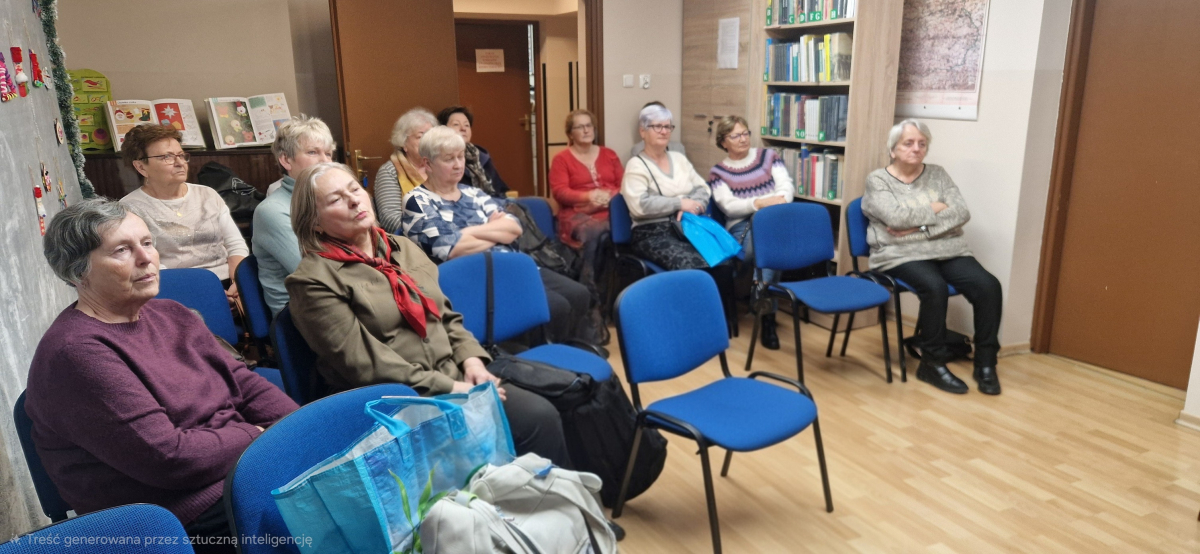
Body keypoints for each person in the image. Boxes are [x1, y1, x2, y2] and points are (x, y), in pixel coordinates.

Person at [27, 199, 298, 553]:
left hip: (236, 470)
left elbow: (244, 385)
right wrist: (258, 435)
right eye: (122, 250)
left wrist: (289, 431)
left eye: (147, 243)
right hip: (173, 518)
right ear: (78, 272)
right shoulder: (76, 354)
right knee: (321, 515)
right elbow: (172, 459)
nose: (146, 258)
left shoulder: (173, 314)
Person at [284, 161, 572, 467]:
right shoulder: (313, 281)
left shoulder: (402, 248)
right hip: (397, 402)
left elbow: (445, 315)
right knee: (535, 420)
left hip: (452, 373)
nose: (354, 200)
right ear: (315, 223)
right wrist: (454, 389)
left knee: (559, 403)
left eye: (354, 189)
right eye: (336, 199)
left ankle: (557, 495)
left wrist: (472, 361)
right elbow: (365, 365)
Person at [402, 126, 595, 345]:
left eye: (460, 156)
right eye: (449, 159)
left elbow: (514, 228)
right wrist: (493, 231)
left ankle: (567, 351)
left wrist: (466, 233)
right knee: (555, 306)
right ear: (427, 164)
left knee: (578, 293)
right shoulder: (417, 201)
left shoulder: (472, 193)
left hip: (510, 264)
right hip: (474, 277)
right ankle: (538, 357)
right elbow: (451, 249)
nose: (458, 165)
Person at [861, 119, 1003, 395]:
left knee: (989, 286)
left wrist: (918, 228)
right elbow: (895, 218)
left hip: (948, 250)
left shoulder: (938, 174)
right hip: (898, 253)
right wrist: (936, 208)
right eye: (908, 143)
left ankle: (986, 362)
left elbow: (961, 212)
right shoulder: (878, 180)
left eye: (922, 143)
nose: (916, 148)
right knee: (934, 287)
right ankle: (932, 363)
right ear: (893, 149)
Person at [621, 104, 735, 326]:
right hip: (651, 232)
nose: (664, 131)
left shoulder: (679, 159)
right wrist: (679, 203)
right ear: (643, 131)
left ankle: (720, 324)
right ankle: (691, 326)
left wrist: (694, 206)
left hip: (688, 226)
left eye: (667, 126)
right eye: (657, 126)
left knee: (721, 260)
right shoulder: (636, 165)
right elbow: (640, 206)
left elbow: (703, 189)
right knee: (690, 264)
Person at [119, 125, 248, 301]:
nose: (180, 163)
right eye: (166, 157)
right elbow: (146, 263)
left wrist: (238, 283)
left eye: (181, 155)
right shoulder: (129, 208)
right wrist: (207, 294)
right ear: (141, 167)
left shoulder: (208, 194)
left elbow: (235, 244)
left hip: (230, 284)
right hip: (176, 290)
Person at [708, 115, 792, 350]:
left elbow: (786, 186)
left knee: (770, 242)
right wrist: (759, 204)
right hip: (741, 226)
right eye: (735, 136)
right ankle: (767, 317)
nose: (743, 139)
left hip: (774, 219)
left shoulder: (768, 156)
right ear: (723, 142)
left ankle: (763, 302)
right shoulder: (718, 172)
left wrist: (776, 203)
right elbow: (729, 206)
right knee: (771, 247)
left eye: (745, 133)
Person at [252, 115, 336, 316]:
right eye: (313, 152)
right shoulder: (271, 211)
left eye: (328, 153)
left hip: (343, 297)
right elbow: (316, 275)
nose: (325, 161)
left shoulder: (332, 198)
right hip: (301, 313)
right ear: (286, 160)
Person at [549, 109, 623, 294]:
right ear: (570, 133)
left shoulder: (609, 154)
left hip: (610, 209)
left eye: (589, 125)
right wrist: (588, 196)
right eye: (580, 127)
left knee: (623, 229)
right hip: (577, 213)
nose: (586, 130)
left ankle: (616, 290)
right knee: (595, 232)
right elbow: (560, 192)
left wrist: (609, 196)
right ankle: (590, 290)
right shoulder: (561, 159)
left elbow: (624, 184)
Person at [375, 108, 438, 232]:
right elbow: (390, 218)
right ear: (404, 143)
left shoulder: (440, 166)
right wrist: (429, 232)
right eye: (420, 136)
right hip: (414, 238)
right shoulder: (390, 171)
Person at [438, 105, 510, 198]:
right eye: (456, 124)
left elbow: (501, 189)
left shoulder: (481, 156)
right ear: (443, 129)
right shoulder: (440, 158)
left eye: (467, 125)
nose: (463, 129)